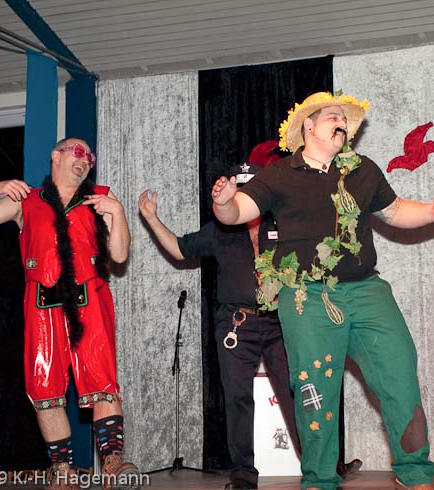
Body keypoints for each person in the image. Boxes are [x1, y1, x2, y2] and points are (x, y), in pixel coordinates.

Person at [211, 92, 434, 490]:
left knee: (398, 368)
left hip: (366, 290)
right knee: (315, 387)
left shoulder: (363, 171)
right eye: (332, 117)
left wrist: (433, 211)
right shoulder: (279, 174)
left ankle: (414, 473)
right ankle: (320, 480)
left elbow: (394, 211)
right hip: (306, 296)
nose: (341, 122)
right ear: (309, 126)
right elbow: (238, 211)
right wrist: (224, 203)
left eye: (344, 118)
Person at [0, 138, 139, 490]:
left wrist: (118, 213)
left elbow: (120, 255)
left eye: (90, 156)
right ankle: (63, 470)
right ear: (55, 156)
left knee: (102, 381)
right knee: (44, 388)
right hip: (42, 305)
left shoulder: (99, 200)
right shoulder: (27, 201)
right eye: (78, 151)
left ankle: (112, 463)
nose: (86, 159)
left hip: (90, 301)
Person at [138, 141, 299, 490]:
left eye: (252, 189)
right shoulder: (220, 230)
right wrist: (151, 218)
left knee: (296, 391)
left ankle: (323, 464)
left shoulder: (282, 224)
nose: (245, 195)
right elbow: (180, 249)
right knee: (237, 398)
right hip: (236, 325)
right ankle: (243, 476)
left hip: (280, 323)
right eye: (239, 189)